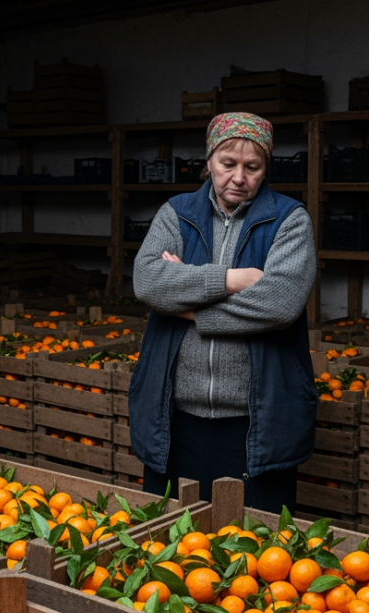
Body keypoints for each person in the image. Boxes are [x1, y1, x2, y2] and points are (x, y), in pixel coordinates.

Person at [129, 113, 318, 514]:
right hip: (175, 417)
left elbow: (280, 302)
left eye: (252, 167)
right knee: (169, 542)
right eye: (227, 164)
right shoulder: (176, 213)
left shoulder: (289, 220)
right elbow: (147, 281)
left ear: (265, 168)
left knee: (256, 551)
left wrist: (193, 311)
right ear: (209, 160)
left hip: (255, 421)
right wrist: (232, 279)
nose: (239, 177)